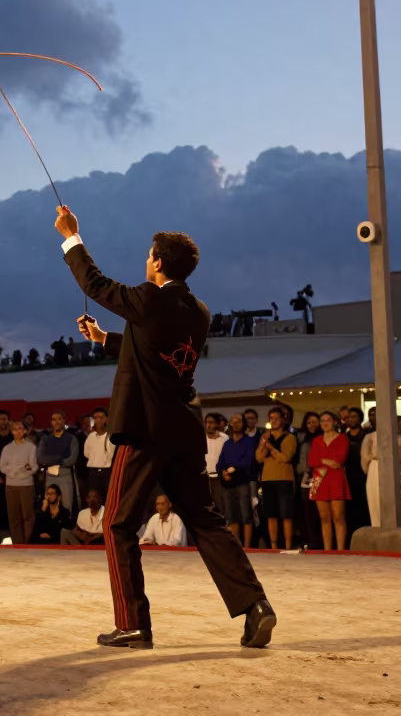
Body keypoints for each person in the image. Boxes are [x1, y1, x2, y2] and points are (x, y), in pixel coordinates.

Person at [58, 206, 273, 650]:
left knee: (117, 524)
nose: (145, 261)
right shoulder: (198, 311)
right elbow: (155, 349)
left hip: (144, 430)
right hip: (183, 427)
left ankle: (133, 623)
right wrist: (103, 339)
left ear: (157, 261)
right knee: (206, 521)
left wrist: (71, 238)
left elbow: (95, 284)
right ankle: (256, 607)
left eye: (147, 256)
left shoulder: (149, 298)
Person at [256, 406, 297, 550]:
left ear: (283, 420)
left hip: (284, 478)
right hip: (267, 479)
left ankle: (287, 546)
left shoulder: (290, 437)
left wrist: (271, 449)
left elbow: (285, 457)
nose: (273, 421)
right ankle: (273, 546)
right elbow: (259, 457)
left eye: (276, 418)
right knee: (270, 514)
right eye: (271, 418)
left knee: (286, 514)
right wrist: (264, 444)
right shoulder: (266, 438)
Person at [309, 411, 350, 550]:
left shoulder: (343, 439)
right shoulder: (316, 440)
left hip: (336, 479)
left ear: (334, 422)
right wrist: (325, 460)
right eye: (322, 421)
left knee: (338, 517)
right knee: (324, 518)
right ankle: (327, 550)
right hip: (320, 479)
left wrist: (321, 461)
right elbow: (312, 460)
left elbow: (340, 459)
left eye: (328, 420)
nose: (325, 423)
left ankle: (340, 549)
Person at [217, 414, 256, 548]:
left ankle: (247, 547)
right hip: (228, 483)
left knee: (246, 515)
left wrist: (232, 470)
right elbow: (221, 461)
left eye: (238, 421)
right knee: (231, 515)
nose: (236, 423)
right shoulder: (227, 443)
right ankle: (236, 546)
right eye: (233, 421)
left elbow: (248, 460)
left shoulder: (249, 441)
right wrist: (222, 471)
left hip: (243, 481)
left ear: (244, 423)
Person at [0, 420, 38, 543]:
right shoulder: (7, 448)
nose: (18, 431)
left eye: (20, 428)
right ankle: (17, 543)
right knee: (14, 516)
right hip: (11, 485)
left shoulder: (31, 447)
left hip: (26, 484)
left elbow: (34, 467)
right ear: (12, 432)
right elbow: (2, 466)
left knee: (27, 516)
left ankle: (28, 542)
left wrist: (27, 470)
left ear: (25, 431)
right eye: (15, 429)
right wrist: (14, 471)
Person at [38, 411, 80, 513]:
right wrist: (59, 458)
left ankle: (66, 528)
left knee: (66, 504)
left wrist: (52, 460)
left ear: (64, 421)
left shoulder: (71, 438)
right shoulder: (45, 439)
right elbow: (41, 458)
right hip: (50, 475)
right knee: (50, 503)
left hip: (65, 474)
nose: (56, 422)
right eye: (54, 419)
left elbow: (72, 459)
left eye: (59, 419)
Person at [296, 411, 323, 550]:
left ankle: (320, 542)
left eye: (314, 421)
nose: (312, 425)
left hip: (319, 477)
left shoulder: (322, 438)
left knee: (318, 511)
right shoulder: (303, 440)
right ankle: (310, 541)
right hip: (305, 479)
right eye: (308, 422)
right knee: (307, 511)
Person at [343, 407, 370, 537]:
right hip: (347, 475)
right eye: (349, 417)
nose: (351, 419)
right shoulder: (343, 436)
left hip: (364, 475)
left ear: (360, 419)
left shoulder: (367, 435)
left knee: (364, 506)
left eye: (354, 416)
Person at [83, 407, 115, 503]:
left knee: (106, 500)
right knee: (93, 499)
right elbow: (86, 453)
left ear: (107, 419)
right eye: (96, 418)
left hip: (105, 472)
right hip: (92, 473)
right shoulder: (91, 437)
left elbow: (111, 454)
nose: (98, 420)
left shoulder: (110, 436)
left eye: (101, 417)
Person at [204, 413, 228, 518]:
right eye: (207, 422)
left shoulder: (225, 439)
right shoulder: (201, 439)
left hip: (219, 478)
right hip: (205, 478)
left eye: (211, 422)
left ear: (217, 424)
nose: (208, 425)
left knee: (221, 506)